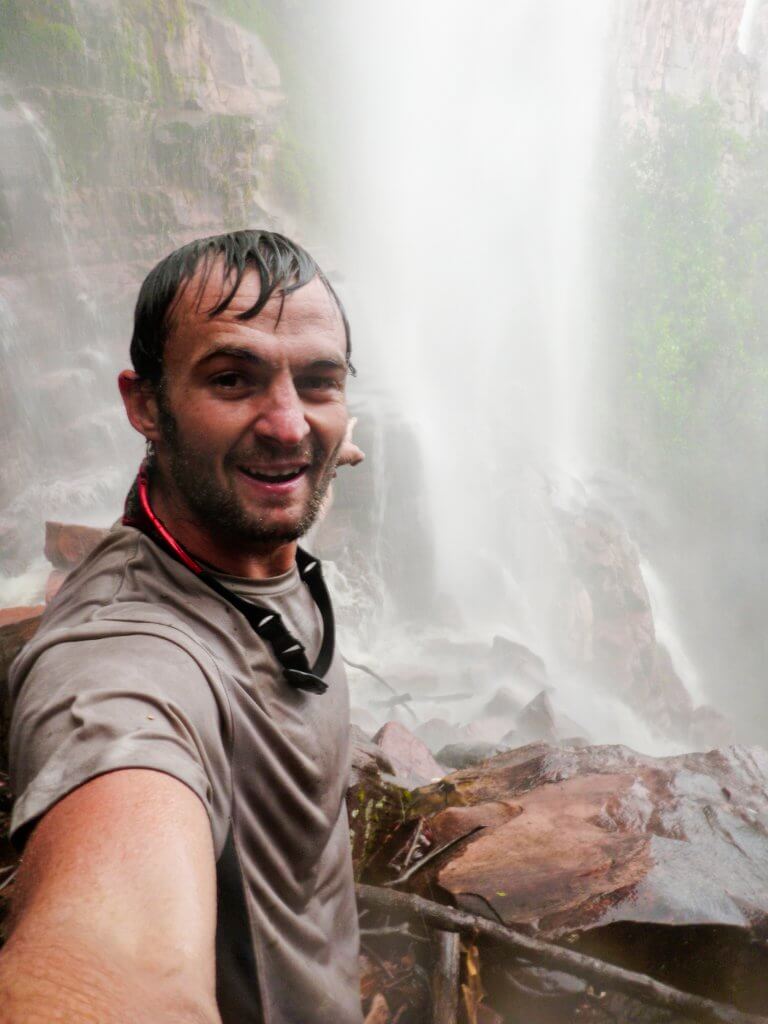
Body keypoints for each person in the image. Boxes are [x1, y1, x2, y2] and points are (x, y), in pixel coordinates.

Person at [0, 230, 366, 1024]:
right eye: (231, 380)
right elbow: (111, 959)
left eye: (318, 382)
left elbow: (296, 431)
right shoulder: (124, 662)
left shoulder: (261, 494)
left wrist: (326, 444)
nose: (287, 425)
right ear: (144, 406)